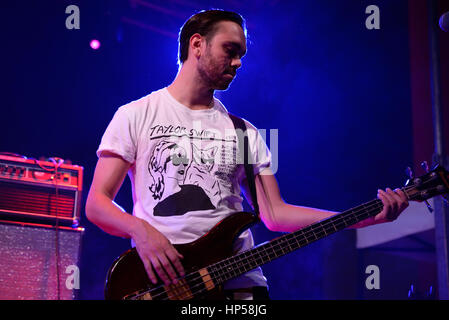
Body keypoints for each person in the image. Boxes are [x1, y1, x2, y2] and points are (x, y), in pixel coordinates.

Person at [85, 9, 409, 300]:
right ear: (196, 45)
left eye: (241, 54)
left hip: (240, 286)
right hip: (167, 285)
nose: (238, 62)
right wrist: (141, 231)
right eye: (231, 50)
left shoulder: (245, 132)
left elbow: (275, 214)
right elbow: (97, 203)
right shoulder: (134, 115)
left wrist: (362, 219)